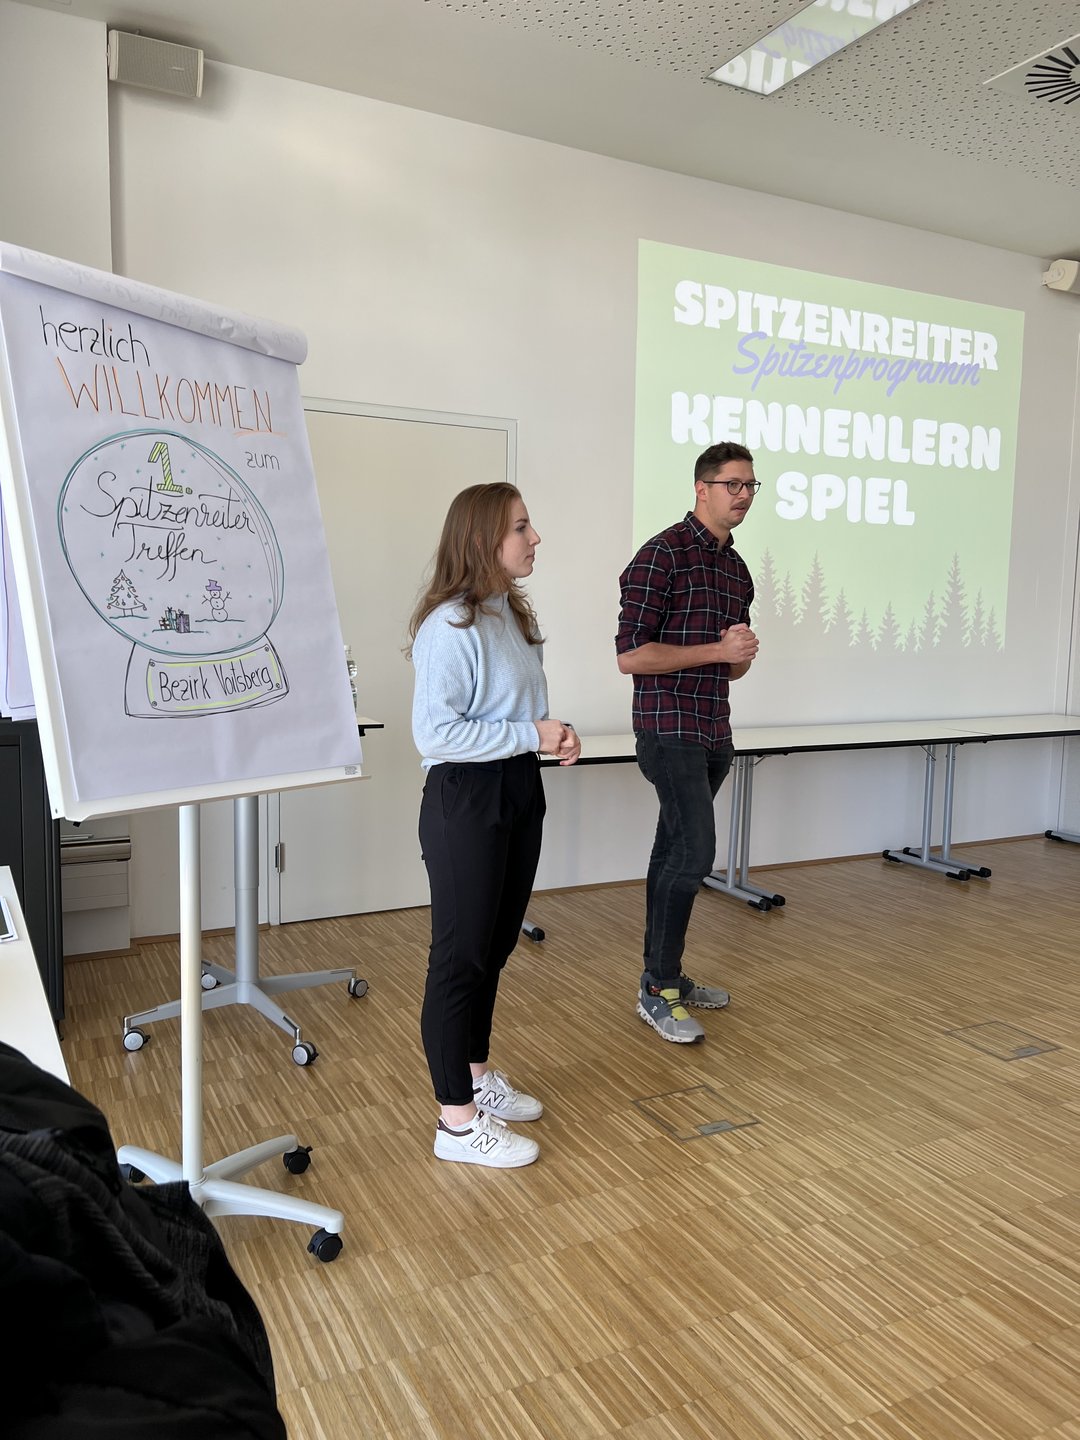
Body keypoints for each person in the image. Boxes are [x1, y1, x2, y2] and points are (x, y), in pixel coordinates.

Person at [409, 482, 579, 1167]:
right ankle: (455, 1123)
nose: (534, 538)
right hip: (466, 798)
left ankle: (475, 1077)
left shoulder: (509, 613)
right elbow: (437, 733)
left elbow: (509, 716)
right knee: (460, 958)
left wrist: (552, 734)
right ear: (483, 540)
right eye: (520, 527)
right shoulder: (449, 626)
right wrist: (531, 734)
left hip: (516, 789)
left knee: (496, 945)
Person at [616, 442, 760, 1044]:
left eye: (751, 486)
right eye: (734, 485)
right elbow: (631, 656)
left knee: (672, 851)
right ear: (702, 488)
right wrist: (717, 651)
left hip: (713, 729)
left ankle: (664, 976)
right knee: (695, 853)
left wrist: (739, 657)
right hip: (666, 728)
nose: (744, 495)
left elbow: (730, 667)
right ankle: (659, 989)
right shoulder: (661, 555)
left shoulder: (736, 568)